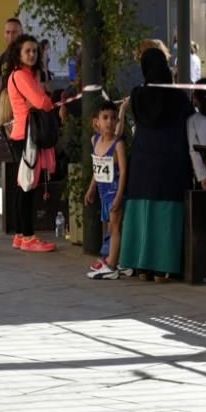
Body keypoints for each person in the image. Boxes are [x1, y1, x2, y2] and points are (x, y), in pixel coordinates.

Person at [119, 48, 194, 281]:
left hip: (143, 162)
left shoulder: (137, 95)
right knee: (166, 216)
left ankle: (142, 266)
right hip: (171, 163)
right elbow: (190, 119)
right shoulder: (178, 97)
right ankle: (164, 267)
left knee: (143, 213)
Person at [6, 34, 56, 253]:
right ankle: (28, 236)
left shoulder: (25, 75)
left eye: (34, 51)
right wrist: (46, 101)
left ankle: (20, 234)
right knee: (27, 186)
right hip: (28, 136)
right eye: (27, 50)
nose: (32, 54)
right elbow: (41, 101)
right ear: (18, 53)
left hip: (24, 134)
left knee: (23, 185)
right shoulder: (21, 76)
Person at [85, 101, 128, 280]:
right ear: (97, 122)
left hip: (115, 189)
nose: (109, 122)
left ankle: (111, 266)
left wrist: (119, 196)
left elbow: (124, 171)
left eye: (112, 118)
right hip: (103, 190)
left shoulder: (118, 145)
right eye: (105, 118)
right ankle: (116, 260)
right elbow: (97, 168)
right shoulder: (95, 140)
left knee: (115, 227)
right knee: (110, 226)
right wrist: (91, 189)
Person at [0, 17, 21, 102]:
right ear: (4, 34)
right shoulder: (3, 56)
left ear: (21, 33)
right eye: (7, 32)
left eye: (14, 32)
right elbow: (2, 80)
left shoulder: (25, 55)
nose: (10, 36)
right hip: (6, 105)